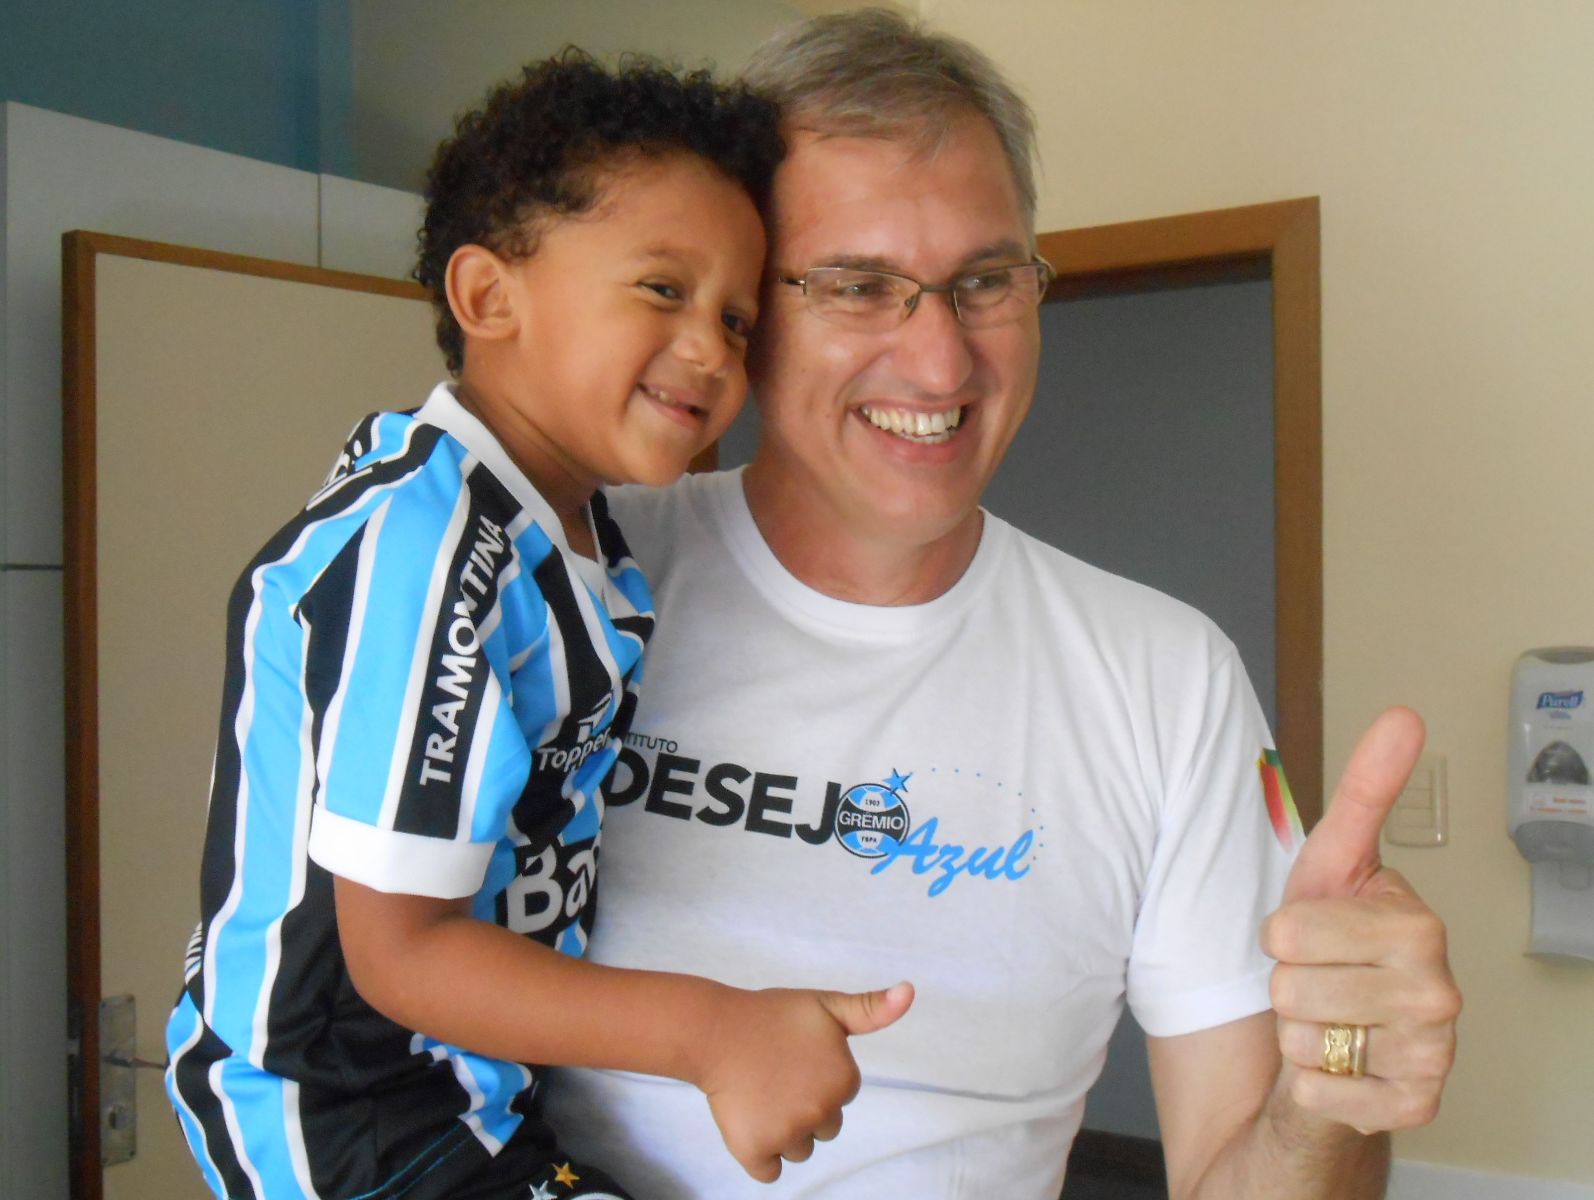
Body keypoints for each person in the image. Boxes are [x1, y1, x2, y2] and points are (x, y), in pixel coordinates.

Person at [542, 12, 1461, 1199]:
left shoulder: (1164, 681)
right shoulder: (568, 574)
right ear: (745, 311)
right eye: (858, 285)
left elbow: (1247, 1174)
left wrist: (1330, 1085)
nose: (939, 365)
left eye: (984, 282)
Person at [165, 54, 915, 1200]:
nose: (714, 350)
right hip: (347, 1132)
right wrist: (716, 1033)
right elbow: (401, 949)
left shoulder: (577, 535)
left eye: (736, 315)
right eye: (662, 289)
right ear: (487, 297)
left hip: (473, 1108)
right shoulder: (426, 548)